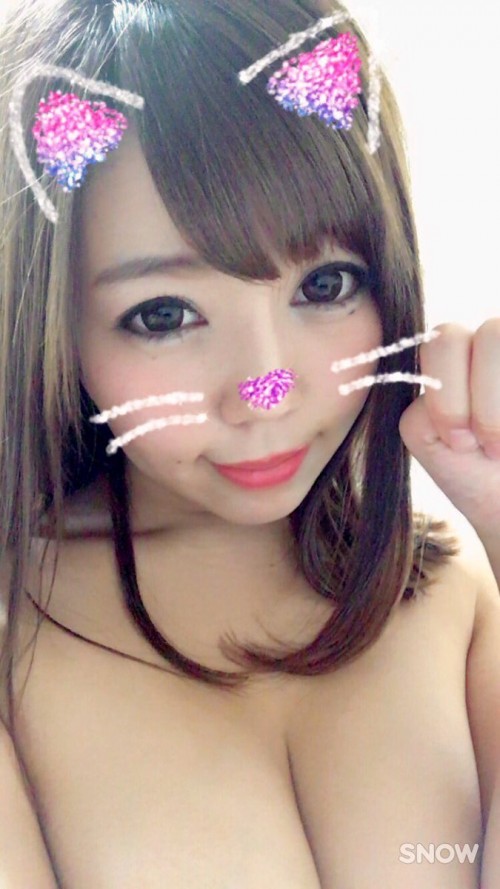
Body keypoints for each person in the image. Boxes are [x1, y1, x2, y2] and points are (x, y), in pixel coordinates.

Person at [1, 0, 500, 887]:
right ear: (57, 327)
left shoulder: (455, 588)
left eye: (326, 284)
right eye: (164, 314)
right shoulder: (17, 638)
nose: (266, 389)